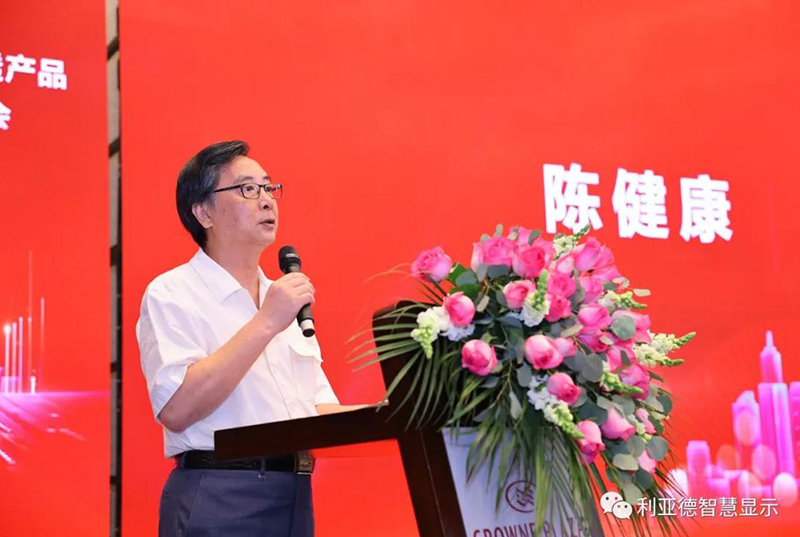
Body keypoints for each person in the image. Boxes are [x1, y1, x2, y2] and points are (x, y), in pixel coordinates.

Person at [137, 140, 365, 537]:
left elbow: (313, 410)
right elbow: (176, 407)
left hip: (294, 493)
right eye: (247, 188)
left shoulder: (281, 297)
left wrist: (393, 413)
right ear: (204, 212)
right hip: (218, 494)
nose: (266, 200)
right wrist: (267, 321)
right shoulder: (172, 292)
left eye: (269, 187)